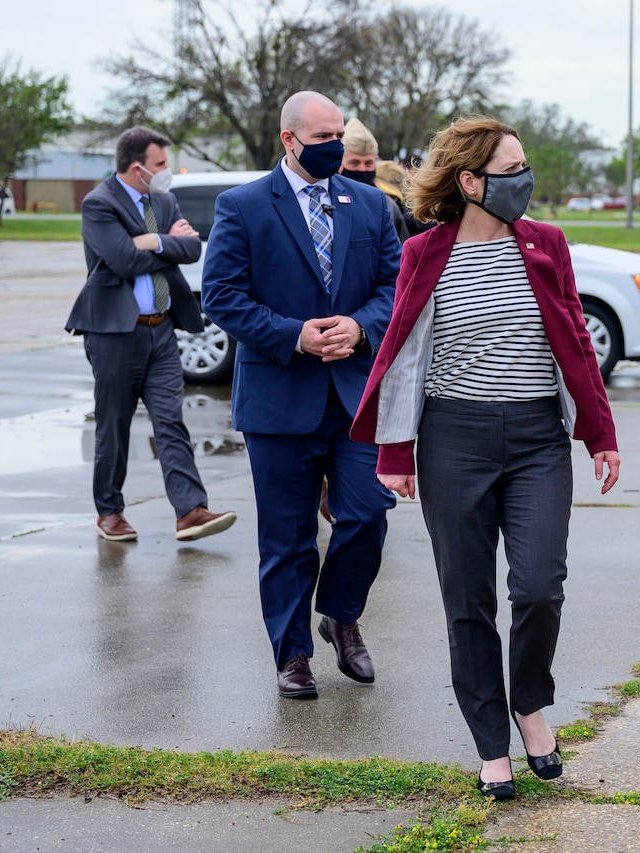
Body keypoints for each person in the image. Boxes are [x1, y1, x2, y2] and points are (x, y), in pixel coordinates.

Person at [349, 116, 620, 800]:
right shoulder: (426, 253)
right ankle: (489, 740)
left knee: (537, 587)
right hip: (454, 440)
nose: (524, 181)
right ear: (470, 181)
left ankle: (529, 701)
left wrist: (600, 433)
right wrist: (396, 451)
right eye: (510, 170)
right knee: (466, 600)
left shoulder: (546, 244)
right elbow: (404, 356)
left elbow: (576, 347)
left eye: (525, 167)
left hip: (537, 440)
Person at [200, 91, 401, 700]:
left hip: (353, 398)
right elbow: (222, 296)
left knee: (367, 512)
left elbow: (397, 284)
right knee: (286, 537)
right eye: (323, 138)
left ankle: (341, 614)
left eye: (340, 133)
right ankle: (292, 653)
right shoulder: (242, 206)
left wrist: (361, 326)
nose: (336, 146)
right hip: (279, 399)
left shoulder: (368, 205)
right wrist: (296, 336)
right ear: (290, 141)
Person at [66, 126, 237, 544]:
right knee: (114, 424)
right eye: (161, 164)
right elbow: (123, 261)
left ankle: (191, 511)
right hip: (113, 333)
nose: (167, 172)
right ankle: (109, 511)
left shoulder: (163, 199)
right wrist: (161, 244)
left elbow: (193, 248)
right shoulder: (98, 204)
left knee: (171, 421)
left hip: (162, 330)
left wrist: (150, 241)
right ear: (138, 167)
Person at [338, 117, 411, 244]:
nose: (362, 169)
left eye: (368, 163)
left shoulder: (388, 207)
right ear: (339, 162)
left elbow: (401, 256)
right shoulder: (323, 198)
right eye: (354, 163)